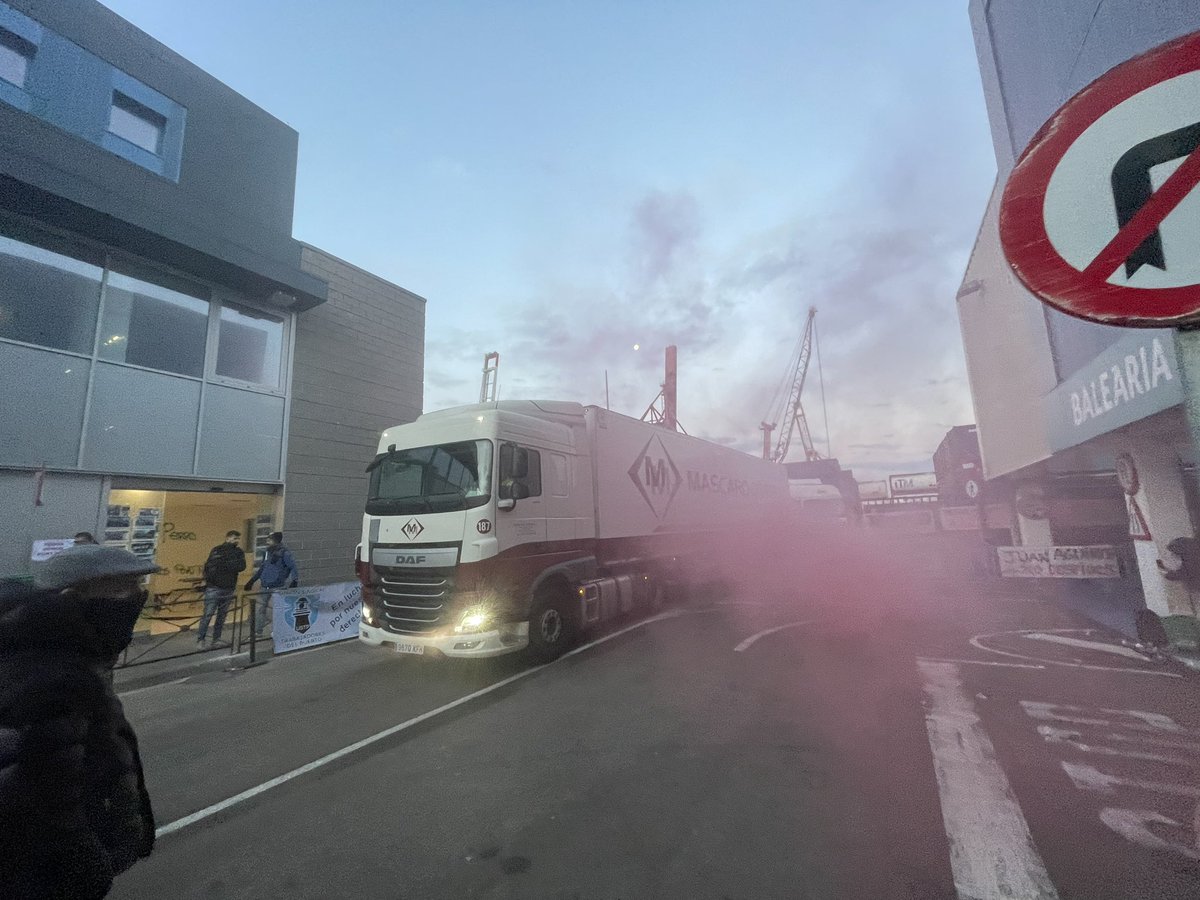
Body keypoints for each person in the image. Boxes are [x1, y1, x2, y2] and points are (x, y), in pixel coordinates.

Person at [0, 545, 157, 899]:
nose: (137, 599)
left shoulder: (75, 657)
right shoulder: (49, 675)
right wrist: (84, 866)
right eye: (122, 589)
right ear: (73, 598)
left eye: (139, 587)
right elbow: (34, 799)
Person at [245, 531, 299, 637]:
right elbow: (262, 568)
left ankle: (277, 631)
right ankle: (258, 631)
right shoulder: (267, 552)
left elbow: (293, 566)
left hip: (278, 586)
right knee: (260, 609)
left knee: (278, 610)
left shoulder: (285, 553)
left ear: (275, 540)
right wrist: (252, 581)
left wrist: (294, 580)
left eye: (269, 539)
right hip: (265, 585)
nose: (267, 541)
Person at [198, 530, 246, 648]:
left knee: (222, 615)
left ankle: (216, 639)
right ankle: (201, 639)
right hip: (214, 587)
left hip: (228, 587)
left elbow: (242, 566)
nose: (237, 541)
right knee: (208, 614)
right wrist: (230, 565)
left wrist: (226, 564)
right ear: (228, 538)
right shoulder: (218, 549)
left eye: (238, 539)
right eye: (234, 538)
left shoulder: (238, 551)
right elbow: (210, 566)